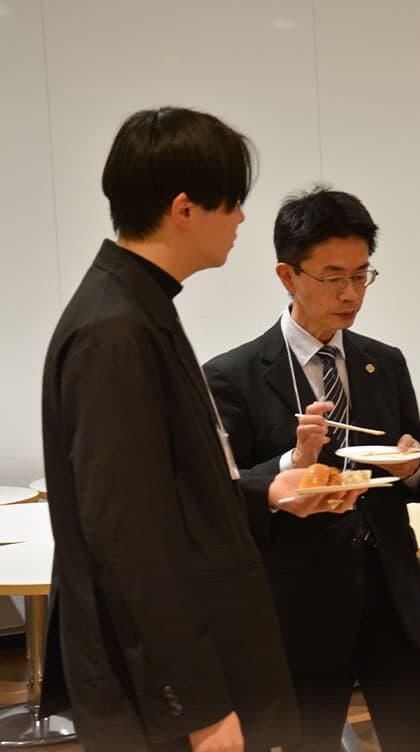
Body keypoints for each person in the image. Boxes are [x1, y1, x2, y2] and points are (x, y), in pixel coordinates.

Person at [40, 107, 352, 752]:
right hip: (175, 691)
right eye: (233, 203)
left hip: (200, 657)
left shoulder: (138, 306)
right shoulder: (114, 330)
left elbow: (172, 490)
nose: (240, 220)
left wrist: (268, 489)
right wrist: (199, 708)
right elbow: (128, 540)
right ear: (185, 209)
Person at [203, 187, 420, 751]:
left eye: (362, 275)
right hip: (300, 607)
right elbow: (222, 498)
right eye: (332, 277)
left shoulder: (382, 362)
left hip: (391, 594)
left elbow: (417, 480)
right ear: (287, 276)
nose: (351, 294)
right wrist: (294, 462)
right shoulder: (231, 376)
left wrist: (414, 468)